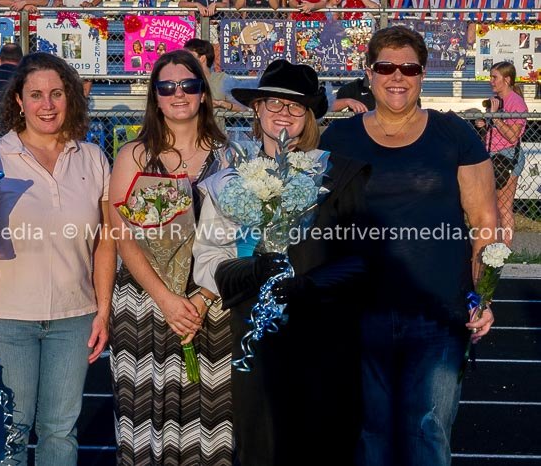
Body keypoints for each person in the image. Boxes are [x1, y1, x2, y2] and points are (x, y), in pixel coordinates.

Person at [319, 26, 498, 466]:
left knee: (428, 432)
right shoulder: (337, 140)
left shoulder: (454, 134)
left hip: (439, 313)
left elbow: (484, 222)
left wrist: (483, 297)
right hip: (360, 313)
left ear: (423, 75)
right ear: (369, 72)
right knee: (370, 434)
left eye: (409, 69)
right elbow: (320, 226)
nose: (397, 76)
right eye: (386, 67)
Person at [192, 59, 371, 466]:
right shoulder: (230, 178)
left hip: (324, 336)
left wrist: (309, 284)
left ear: (309, 116)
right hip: (256, 337)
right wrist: (251, 271)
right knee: (261, 446)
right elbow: (208, 258)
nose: (283, 113)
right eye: (273, 102)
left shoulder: (338, 174)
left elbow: (361, 259)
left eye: (295, 106)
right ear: (256, 109)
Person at [0, 52, 116, 466]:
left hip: (74, 317)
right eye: (36, 95)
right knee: (8, 431)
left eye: (56, 94)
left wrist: (103, 311)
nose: (47, 104)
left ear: (70, 98)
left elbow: (105, 241)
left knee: (60, 432)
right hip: (6, 318)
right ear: (19, 101)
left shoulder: (93, 157)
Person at [108, 49, 232, 466]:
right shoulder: (133, 156)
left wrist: (201, 299)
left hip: (210, 302)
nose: (179, 94)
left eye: (188, 85)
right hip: (146, 303)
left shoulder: (231, 156)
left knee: (209, 424)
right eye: (167, 87)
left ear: (203, 94)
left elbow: (240, 236)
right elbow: (123, 236)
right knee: (145, 421)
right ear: (156, 98)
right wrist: (166, 299)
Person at [475, 61, 527, 247]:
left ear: (507, 80)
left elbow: (512, 137)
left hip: (508, 157)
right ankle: (494, 246)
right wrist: (484, 123)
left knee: (504, 207)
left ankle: (505, 250)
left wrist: (495, 116)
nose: (491, 81)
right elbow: (495, 131)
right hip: (492, 154)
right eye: (490, 77)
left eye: (494, 77)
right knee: (492, 207)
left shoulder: (516, 103)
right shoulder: (496, 100)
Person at [183, 38, 247, 129]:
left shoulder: (221, 79)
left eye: (189, 57)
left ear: (202, 58)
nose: (184, 61)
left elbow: (243, 107)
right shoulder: (182, 81)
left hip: (215, 133)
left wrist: (222, 104)